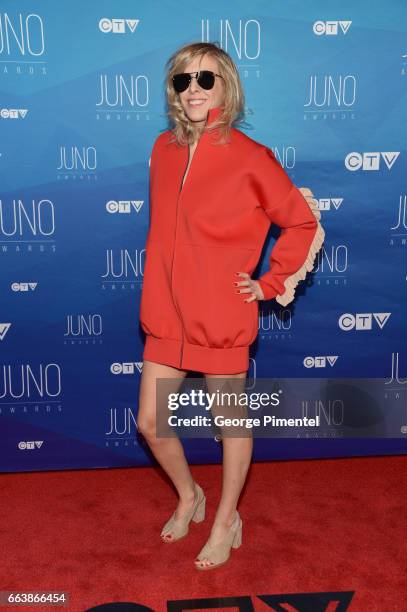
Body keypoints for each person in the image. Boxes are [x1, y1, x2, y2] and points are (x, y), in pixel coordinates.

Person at [136, 42, 325, 570]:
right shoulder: (163, 149)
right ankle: (190, 494)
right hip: (164, 315)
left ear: (227, 87)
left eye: (205, 79)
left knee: (230, 423)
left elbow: (301, 221)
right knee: (151, 422)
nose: (192, 89)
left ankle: (225, 519)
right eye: (181, 80)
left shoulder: (251, 156)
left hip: (220, 317)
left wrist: (269, 284)